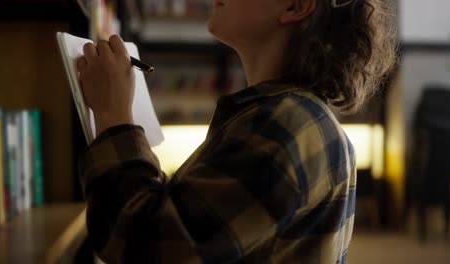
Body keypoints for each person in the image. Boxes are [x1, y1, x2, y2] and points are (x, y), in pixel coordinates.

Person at [76, 0, 396, 263]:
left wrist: (113, 114)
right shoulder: (292, 116)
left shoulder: (284, 126)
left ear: (296, 7)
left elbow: (141, 244)